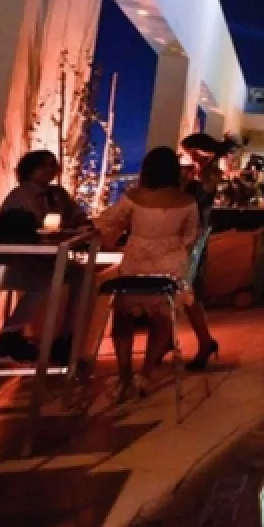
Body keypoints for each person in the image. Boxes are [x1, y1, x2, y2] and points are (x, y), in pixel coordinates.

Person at [90, 147, 200, 399]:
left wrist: (112, 240)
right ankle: (146, 373)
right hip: (170, 265)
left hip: (136, 263)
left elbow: (108, 222)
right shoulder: (187, 202)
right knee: (162, 319)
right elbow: (190, 236)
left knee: (123, 317)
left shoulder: (134, 197)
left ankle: (124, 376)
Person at [0, 149, 88, 362]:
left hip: (43, 257)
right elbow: (33, 226)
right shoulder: (21, 195)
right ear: (31, 169)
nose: (50, 170)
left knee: (80, 276)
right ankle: (11, 333)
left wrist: (80, 225)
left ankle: (66, 337)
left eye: (53, 165)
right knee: (47, 277)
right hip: (16, 260)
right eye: (45, 165)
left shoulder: (57, 194)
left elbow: (77, 215)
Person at [179, 133, 228, 370]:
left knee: (187, 291)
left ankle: (205, 341)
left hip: (192, 239)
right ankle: (200, 341)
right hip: (194, 237)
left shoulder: (205, 177)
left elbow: (190, 203)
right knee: (185, 291)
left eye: (189, 152)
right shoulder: (205, 174)